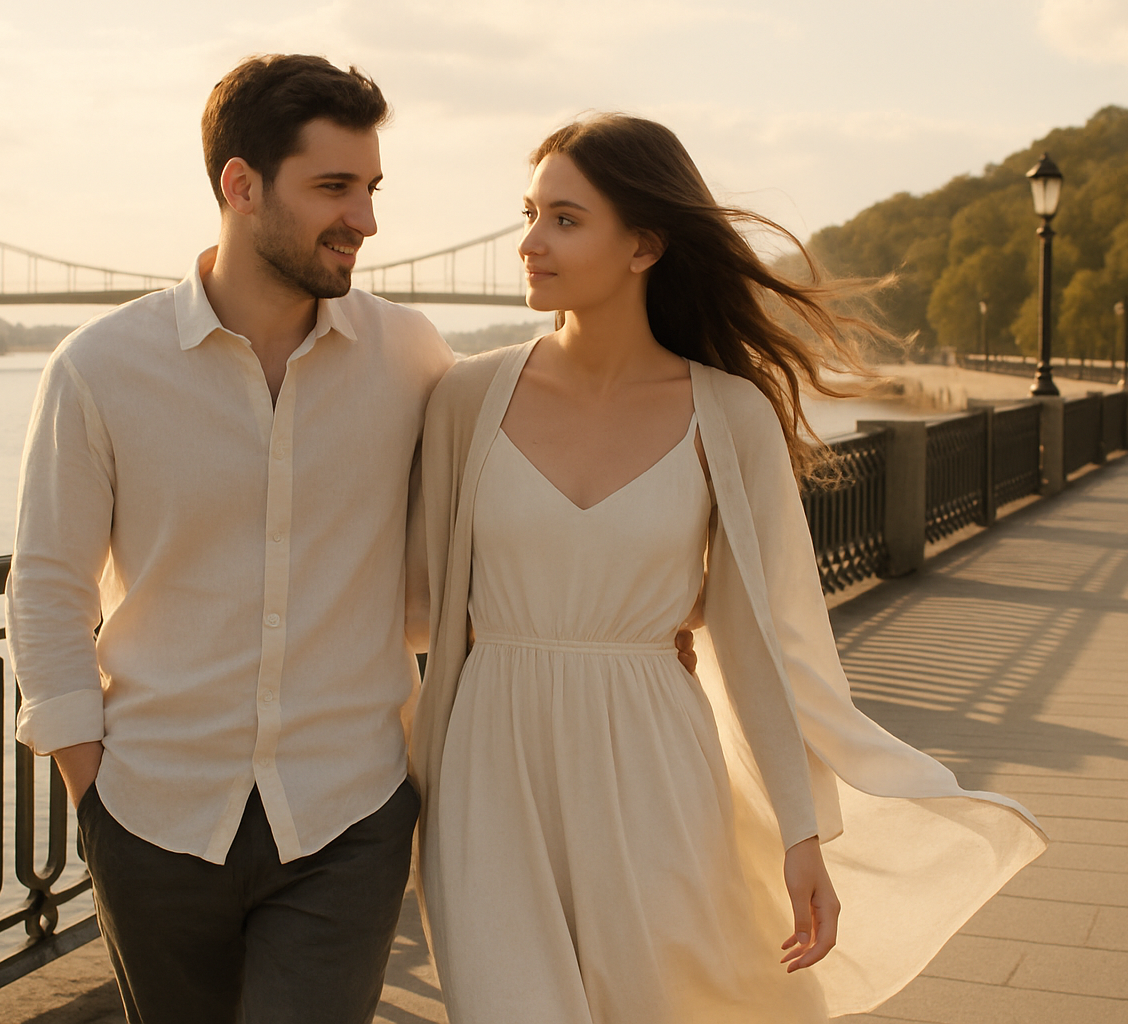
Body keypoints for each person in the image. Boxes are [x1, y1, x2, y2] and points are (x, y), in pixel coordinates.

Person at [409, 114, 1048, 1023]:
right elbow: (413, 603)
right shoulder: (465, 399)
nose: (529, 243)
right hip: (487, 773)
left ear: (644, 245)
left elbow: (764, 640)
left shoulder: (729, 414)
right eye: (529, 213)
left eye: (563, 218)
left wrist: (799, 833)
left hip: (657, 768)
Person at [5, 55, 457, 1023]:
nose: (367, 220)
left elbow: (523, 464)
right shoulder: (98, 370)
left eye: (372, 189)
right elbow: (48, 590)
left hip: (349, 814)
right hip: (151, 815)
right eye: (334, 187)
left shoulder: (414, 356)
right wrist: (94, 798)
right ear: (239, 186)